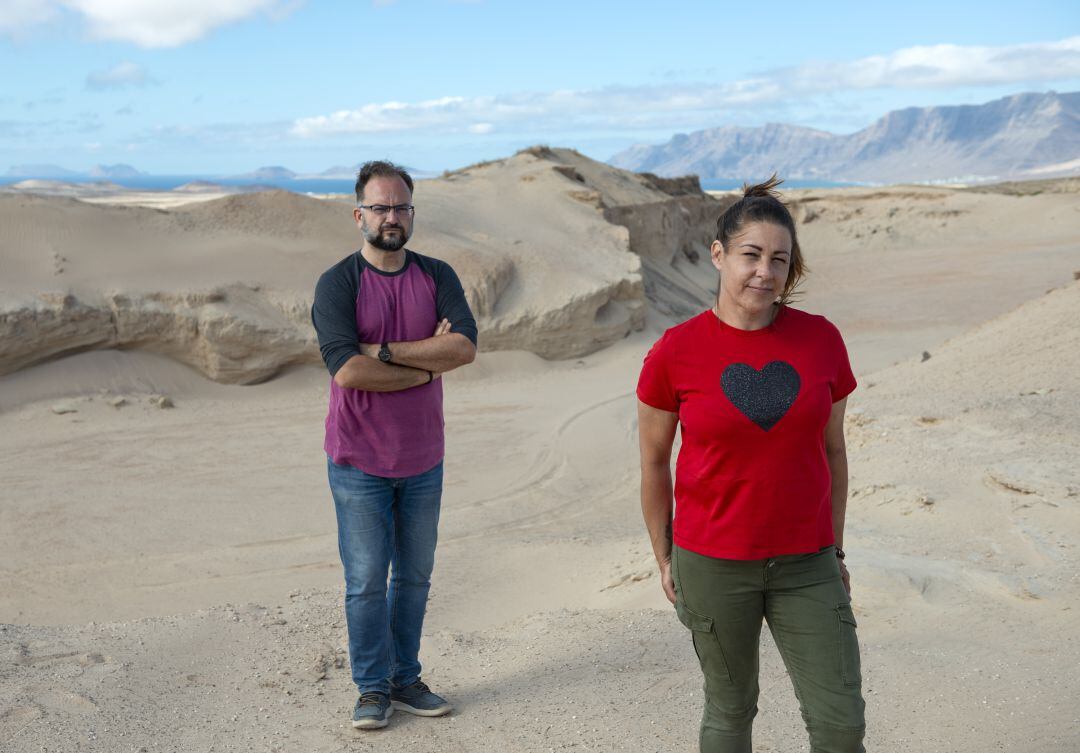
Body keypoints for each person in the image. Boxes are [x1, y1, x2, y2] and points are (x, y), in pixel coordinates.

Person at [636, 176, 866, 753]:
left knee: (841, 724)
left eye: (779, 260)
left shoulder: (821, 342)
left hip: (807, 562)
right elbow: (654, 464)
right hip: (712, 563)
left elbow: (834, 452)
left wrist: (834, 549)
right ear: (718, 255)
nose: (765, 271)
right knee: (730, 710)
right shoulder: (674, 351)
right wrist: (665, 556)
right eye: (751, 255)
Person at [311, 160, 477, 730]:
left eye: (400, 207)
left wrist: (382, 350)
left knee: (413, 577)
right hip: (358, 460)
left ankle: (405, 678)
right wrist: (423, 367)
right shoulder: (339, 283)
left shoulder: (436, 274)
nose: (391, 217)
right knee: (364, 582)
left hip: (423, 458)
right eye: (379, 208)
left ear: (412, 213)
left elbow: (463, 348)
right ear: (359, 215)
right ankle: (372, 689)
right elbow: (347, 372)